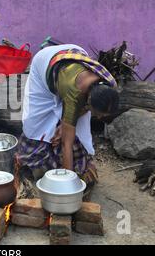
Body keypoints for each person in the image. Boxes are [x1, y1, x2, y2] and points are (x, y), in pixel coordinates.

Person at [17, 44, 119, 188]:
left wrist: (64, 125)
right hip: (45, 63)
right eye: (98, 114)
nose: (100, 119)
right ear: (88, 102)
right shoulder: (74, 95)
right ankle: (29, 163)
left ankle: (81, 165)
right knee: (37, 125)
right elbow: (67, 145)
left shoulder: (109, 85)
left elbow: (81, 111)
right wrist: (68, 185)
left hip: (73, 57)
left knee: (78, 131)